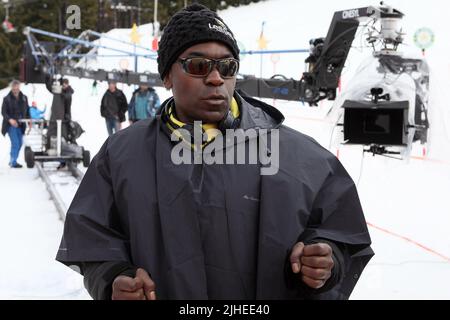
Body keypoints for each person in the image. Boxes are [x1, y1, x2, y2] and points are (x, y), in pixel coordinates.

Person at [56, 4, 373, 300]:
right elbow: (92, 236)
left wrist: (324, 262)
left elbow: (340, 234)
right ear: (167, 76)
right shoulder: (121, 154)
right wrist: (114, 278)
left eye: (227, 66)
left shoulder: (300, 155)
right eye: (198, 65)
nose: (215, 77)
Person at [1, 80, 29, 168]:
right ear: (12, 88)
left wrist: (29, 121)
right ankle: (13, 162)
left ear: (19, 87)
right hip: (10, 125)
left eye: (17, 87)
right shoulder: (7, 99)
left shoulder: (24, 97)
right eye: (14, 88)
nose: (15, 89)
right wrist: (10, 120)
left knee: (20, 143)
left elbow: (27, 110)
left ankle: (13, 160)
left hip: (21, 125)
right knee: (15, 143)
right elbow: (3, 112)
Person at [47, 78, 74, 169]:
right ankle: (55, 156)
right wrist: (49, 79)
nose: (64, 86)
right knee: (51, 136)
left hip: (64, 120)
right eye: (63, 84)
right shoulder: (57, 91)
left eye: (66, 84)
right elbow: (49, 87)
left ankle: (65, 160)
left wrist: (67, 117)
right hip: (54, 119)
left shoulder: (68, 92)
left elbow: (67, 97)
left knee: (64, 138)